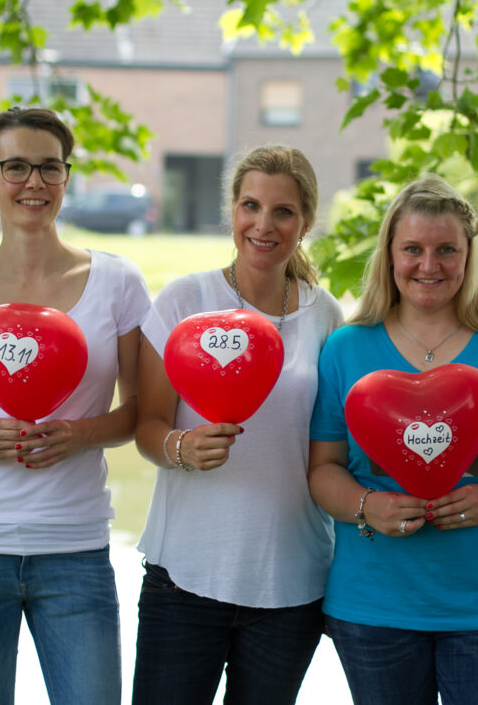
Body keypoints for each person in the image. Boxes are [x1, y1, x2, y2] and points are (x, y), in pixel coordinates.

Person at [0, 106, 149, 705]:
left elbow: (137, 416)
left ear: (67, 176)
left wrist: (77, 434)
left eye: (50, 168)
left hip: (75, 551)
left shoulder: (118, 281)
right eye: (17, 167)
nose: (34, 184)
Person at [308, 175, 478, 705]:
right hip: (373, 607)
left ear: (469, 256)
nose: (429, 265)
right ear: (389, 255)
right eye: (412, 249)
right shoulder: (345, 349)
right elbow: (322, 469)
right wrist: (368, 505)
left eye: (447, 250)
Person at [131, 145, 343, 705]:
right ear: (232, 210)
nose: (263, 225)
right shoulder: (185, 299)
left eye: (283, 211)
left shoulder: (326, 316)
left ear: (305, 222)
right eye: (250, 205)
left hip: (291, 580)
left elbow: (333, 447)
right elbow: (147, 426)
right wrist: (181, 447)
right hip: (186, 576)